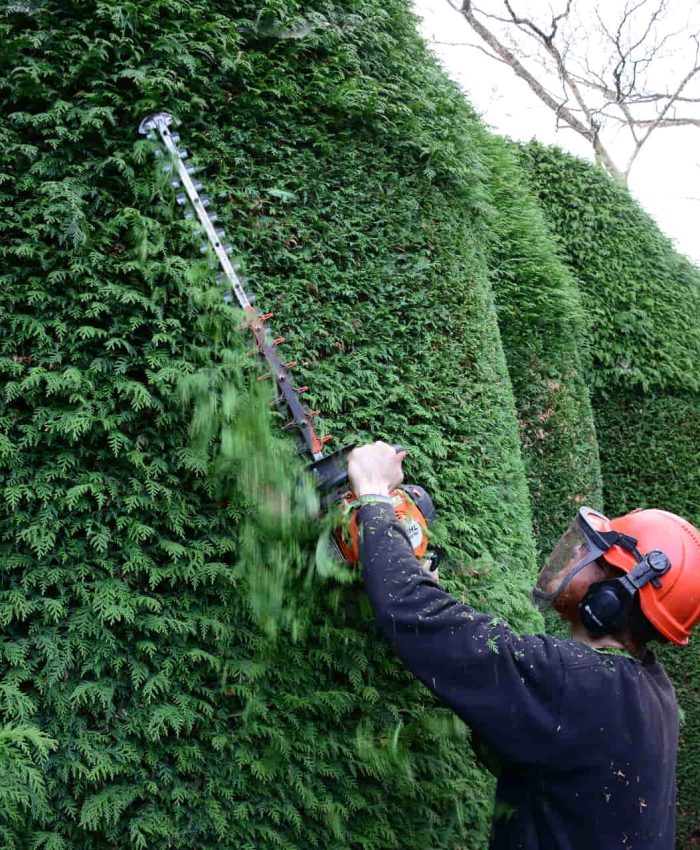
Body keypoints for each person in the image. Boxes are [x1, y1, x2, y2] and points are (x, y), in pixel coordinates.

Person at [347, 440, 700, 850]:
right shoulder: (652, 694)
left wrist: (373, 494)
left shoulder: (578, 682)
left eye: (590, 555)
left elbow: (411, 612)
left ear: (614, 596)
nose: (573, 557)